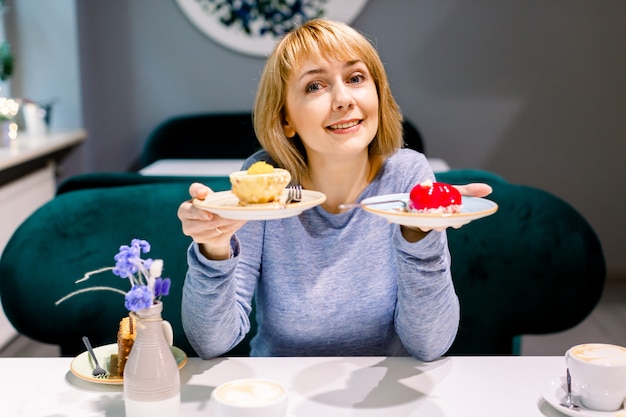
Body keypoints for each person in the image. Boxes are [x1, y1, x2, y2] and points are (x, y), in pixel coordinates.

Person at [177, 18, 491, 361]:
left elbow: (429, 345)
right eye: (315, 86)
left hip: (385, 393)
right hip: (281, 392)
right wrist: (214, 248)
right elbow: (212, 342)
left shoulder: (407, 175)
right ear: (286, 119)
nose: (343, 99)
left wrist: (418, 234)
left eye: (356, 78)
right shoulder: (263, 185)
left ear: (378, 92)